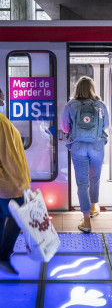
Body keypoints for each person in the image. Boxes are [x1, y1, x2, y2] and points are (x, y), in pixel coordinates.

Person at [61, 76, 109, 233]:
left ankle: (86, 221)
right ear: (92, 88)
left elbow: (65, 128)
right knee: (94, 177)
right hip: (96, 145)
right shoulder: (100, 105)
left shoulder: (71, 105)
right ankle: (94, 206)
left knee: (82, 183)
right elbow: (106, 125)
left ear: (77, 88)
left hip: (78, 147)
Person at [0, 113, 31, 274]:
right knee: (18, 216)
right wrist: (21, 180)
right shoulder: (2, 123)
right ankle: (3, 256)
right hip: (8, 182)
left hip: (7, 181)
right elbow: (10, 157)